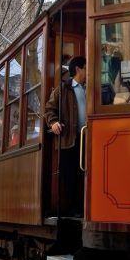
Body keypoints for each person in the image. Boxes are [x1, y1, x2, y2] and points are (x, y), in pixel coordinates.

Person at [44, 55, 87, 217]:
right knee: (71, 175)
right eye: (86, 68)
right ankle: (73, 209)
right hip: (69, 140)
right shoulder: (63, 89)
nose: (88, 72)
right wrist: (53, 122)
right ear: (78, 69)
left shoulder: (88, 89)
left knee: (84, 175)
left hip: (86, 140)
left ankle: (83, 208)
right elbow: (49, 109)